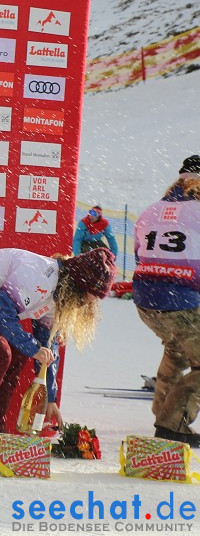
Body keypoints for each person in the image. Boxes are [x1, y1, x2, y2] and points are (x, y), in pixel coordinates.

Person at [0, 247, 115, 433]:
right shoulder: (42, 276)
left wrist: (51, 398)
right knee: (0, 354)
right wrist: (33, 347)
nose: (92, 301)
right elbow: (0, 309)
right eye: (92, 294)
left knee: (19, 354)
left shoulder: (60, 292)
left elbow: (48, 345)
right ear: (79, 283)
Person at [133, 155, 200, 446]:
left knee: (177, 351)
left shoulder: (152, 209)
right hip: (182, 300)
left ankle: (163, 414)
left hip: (146, 300)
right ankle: (172, 424)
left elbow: (138, 253)